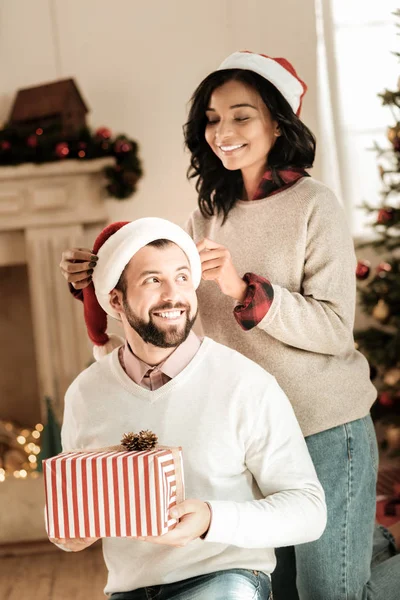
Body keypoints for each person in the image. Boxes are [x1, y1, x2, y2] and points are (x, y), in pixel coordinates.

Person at [59, 52, 400, 599]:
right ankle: (364, 541)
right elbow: (172, 316)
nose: (223, 131)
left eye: (241, 116)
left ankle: (373, 552)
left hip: (322, 428)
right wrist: (100, 280)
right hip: (250, 433)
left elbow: (336, 329)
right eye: (213, 119)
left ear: (278, 121)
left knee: (330, 597)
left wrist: (246, 290)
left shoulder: (317, 206)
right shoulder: (208, 212)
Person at [52, 217, 327, 600]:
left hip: (225, 578)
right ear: (115, 300)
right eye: (153, 280)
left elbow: (309, 511)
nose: (173, 295)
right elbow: (77, 507)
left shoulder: (244, 384)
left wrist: (212, 520)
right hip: (129, 589)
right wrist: (71, 534)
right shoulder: (86, 393)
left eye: (182, 277)